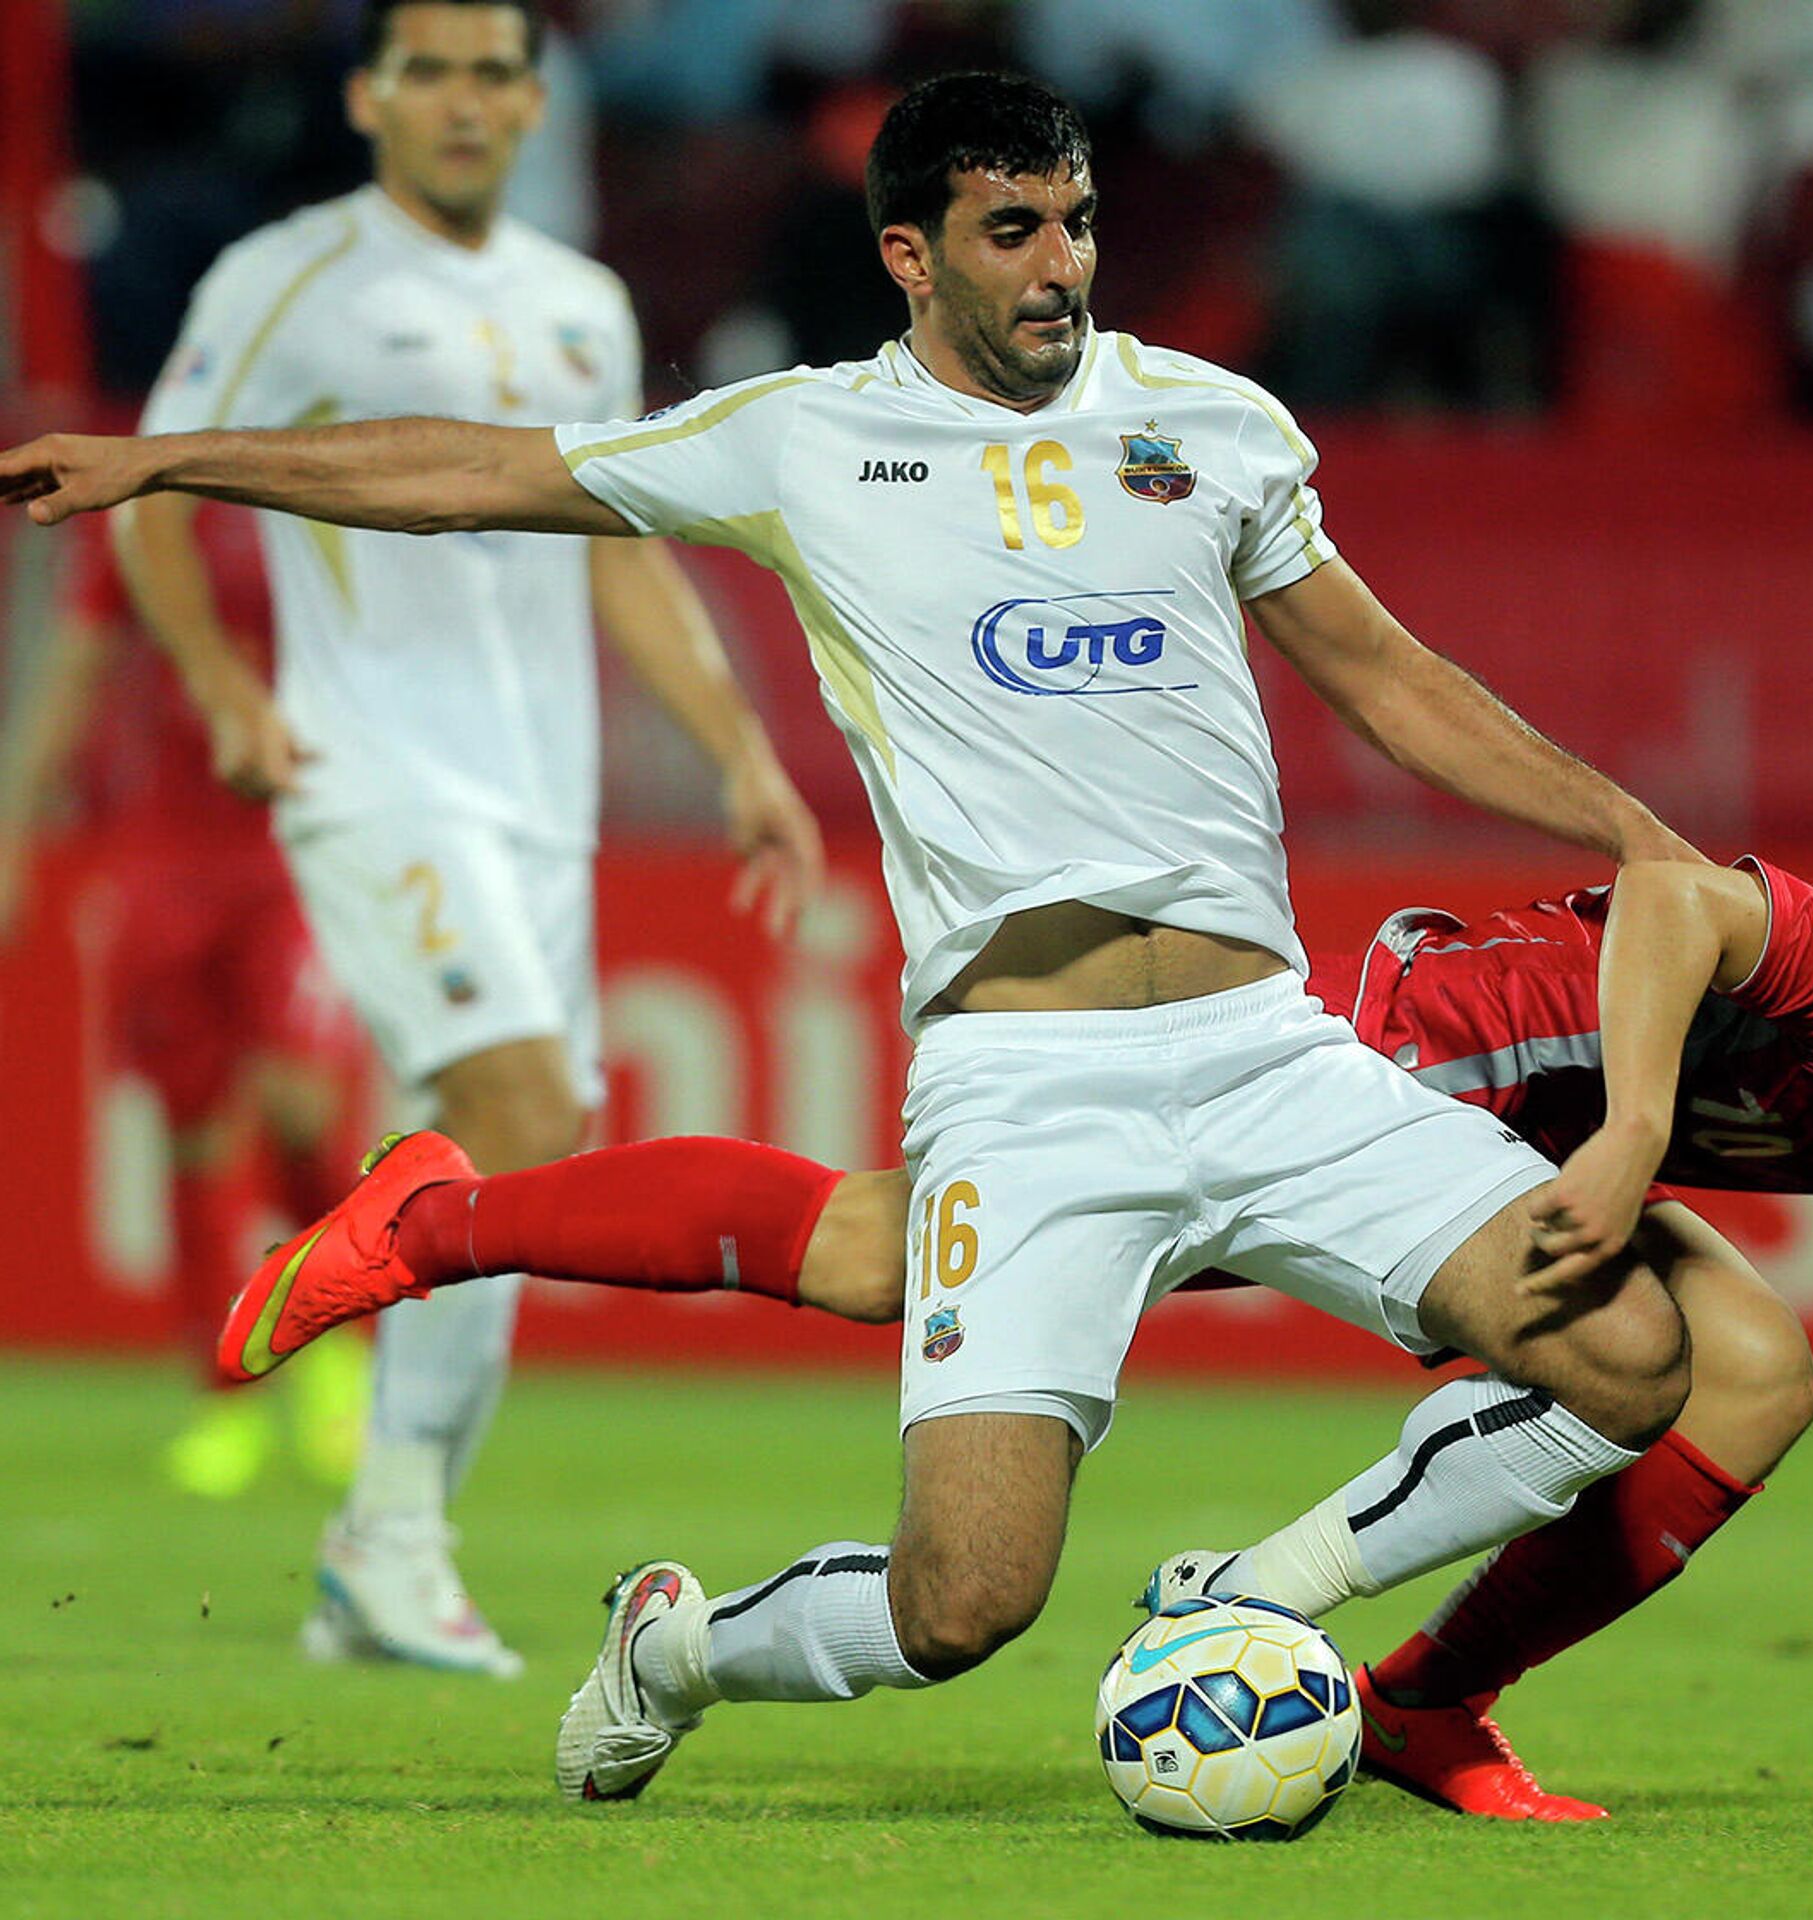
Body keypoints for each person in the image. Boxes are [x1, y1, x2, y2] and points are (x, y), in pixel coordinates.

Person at [2, 72, 1701, 1810]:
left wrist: (1622, 824)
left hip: (1272, 1055)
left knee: (1635, 1355)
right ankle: (678, 1645)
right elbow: (466, 474)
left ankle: (1260, 1599)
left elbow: (1389, 677)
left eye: (1081, 221)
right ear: (911, 252)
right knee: (964, 1602)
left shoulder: (1214, 426)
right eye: (1013, 229)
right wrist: (167, 461)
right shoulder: (806, 440)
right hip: (1032, 1086)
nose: (1061, 264)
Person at [213, 851, 1813, 1819]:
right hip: (1411, 1062)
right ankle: (439, 1225)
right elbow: (1672, 892)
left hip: (1517, 1115)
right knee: (876, 1255)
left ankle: (1408, 1696)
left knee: (1747, 1367)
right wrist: (1639, 1122)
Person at [104, 0, 824, 1676]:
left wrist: (738, 751)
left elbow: (622, 546)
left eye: (496, 69)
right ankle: (393, 1536)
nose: (463, 99)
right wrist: (221, 685)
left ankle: (381, 1550)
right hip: (371, 771)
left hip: (540, 803)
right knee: (519, 1111)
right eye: (428, 67)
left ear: (530, 99)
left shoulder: (580, 306)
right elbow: (146, 481)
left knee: (517, 1164)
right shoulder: (287, 278)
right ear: (367, 95)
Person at [0, 507, 368, 1499]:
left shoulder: (319, 497)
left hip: (301, 847)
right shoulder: (150, 515)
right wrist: (15, 824)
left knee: (301, 1105)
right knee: (195, 1131)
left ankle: (336, 1353)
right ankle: (227, 1398)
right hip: (166, 859)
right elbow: (76, 660)